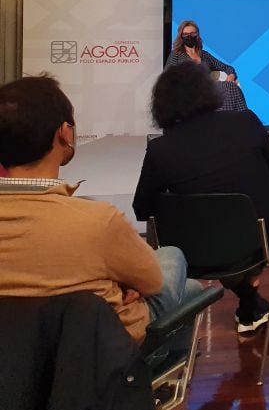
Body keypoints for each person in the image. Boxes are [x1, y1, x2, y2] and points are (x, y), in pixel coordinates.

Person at [0, 75, 201, 343]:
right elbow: (153, 285)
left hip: (14, 358)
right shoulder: (97, 221)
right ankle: (158, 377)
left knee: (189, 286)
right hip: (96, 357)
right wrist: (123, 287)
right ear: (65, 133)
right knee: (175, 262)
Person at [133, 63, 269, 332]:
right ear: (207, 92)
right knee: (239, 230)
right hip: (263, 238)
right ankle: (250, 304)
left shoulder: (159, 150)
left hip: (197, 251)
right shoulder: (245, 121)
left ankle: (250, 305)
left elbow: (142, 209)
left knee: (215, 232)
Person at [166, 19, 248, 111]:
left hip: (207, 90)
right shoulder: (176, 54)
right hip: (187, 91)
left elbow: (227, 67)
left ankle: (233, 118)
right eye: (186, 34)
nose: (189, 36)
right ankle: (242, 117)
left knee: (232, 88)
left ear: (197, 35)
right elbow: (168, 75)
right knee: (230, 87)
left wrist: (231, 75)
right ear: (181, 36)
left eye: (192, 33)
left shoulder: (204, 55)